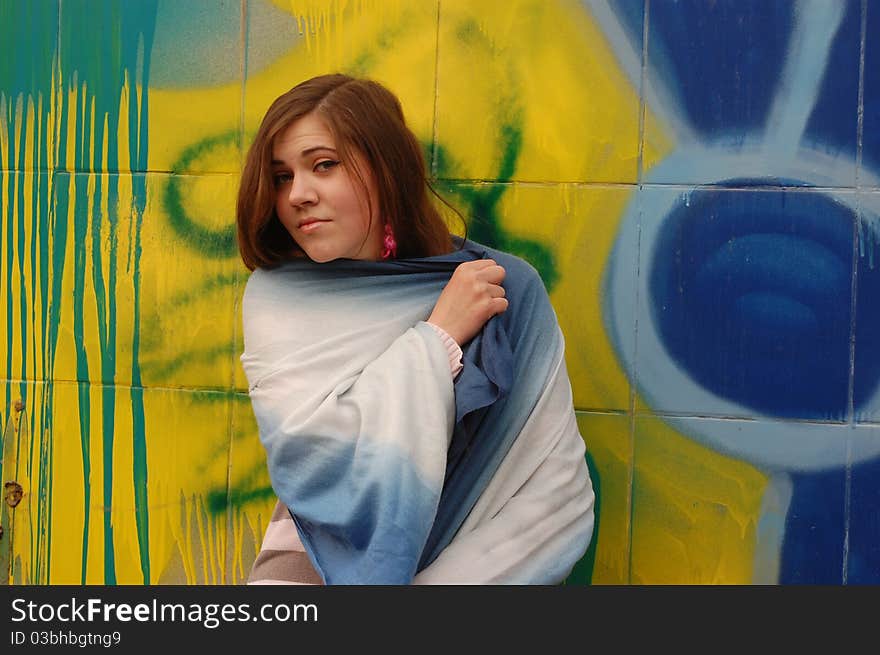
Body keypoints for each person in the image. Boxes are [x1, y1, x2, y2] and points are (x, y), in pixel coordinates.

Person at [237, 73, 594, 584]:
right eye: (281, 177)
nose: (298, 194)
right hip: (312, 562)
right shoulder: (280, 298)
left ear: (385, 169)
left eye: (323, 165)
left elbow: (558, 496)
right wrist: (438, 339)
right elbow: (312, 457)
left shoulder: (503, 290)